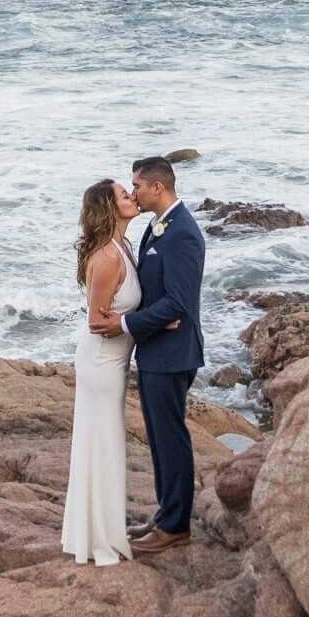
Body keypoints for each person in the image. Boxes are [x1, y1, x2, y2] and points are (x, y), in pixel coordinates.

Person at [107, 155, 204, 554]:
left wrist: (126, 325)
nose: (133, 192)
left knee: (171, 439)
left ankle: (176, 525)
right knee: (160, 439)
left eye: (138, 185)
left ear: (158, 187)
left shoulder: (181, 232)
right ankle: (166, 515)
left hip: (172, 355)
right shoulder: (158, 227)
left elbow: (179, 303)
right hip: (157, 350)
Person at [61, 177, 143, 565]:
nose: (132, 196)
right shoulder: (107, 257)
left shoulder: (122, 245)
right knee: (101, 443)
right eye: (124, 195)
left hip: (114, 359)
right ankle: (97, 539)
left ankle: (102, 530)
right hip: (101, 361)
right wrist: (148, 322)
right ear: (110, 208)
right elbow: (97, 320)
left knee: (106, 443)